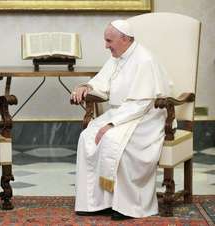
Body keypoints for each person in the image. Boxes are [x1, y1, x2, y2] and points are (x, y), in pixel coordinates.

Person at [71, 20, 171, 220]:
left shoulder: (145, 60)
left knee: (112, 139)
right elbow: (102, 82)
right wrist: (86, 87)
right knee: (87, 136)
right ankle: (98, 203)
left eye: (109, 41)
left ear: (125, 39)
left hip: (145, 118)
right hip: (121, 113)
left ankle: (128, 205)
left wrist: (111, 124)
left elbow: (141, 103)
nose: (106, 46)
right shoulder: (118, 56)